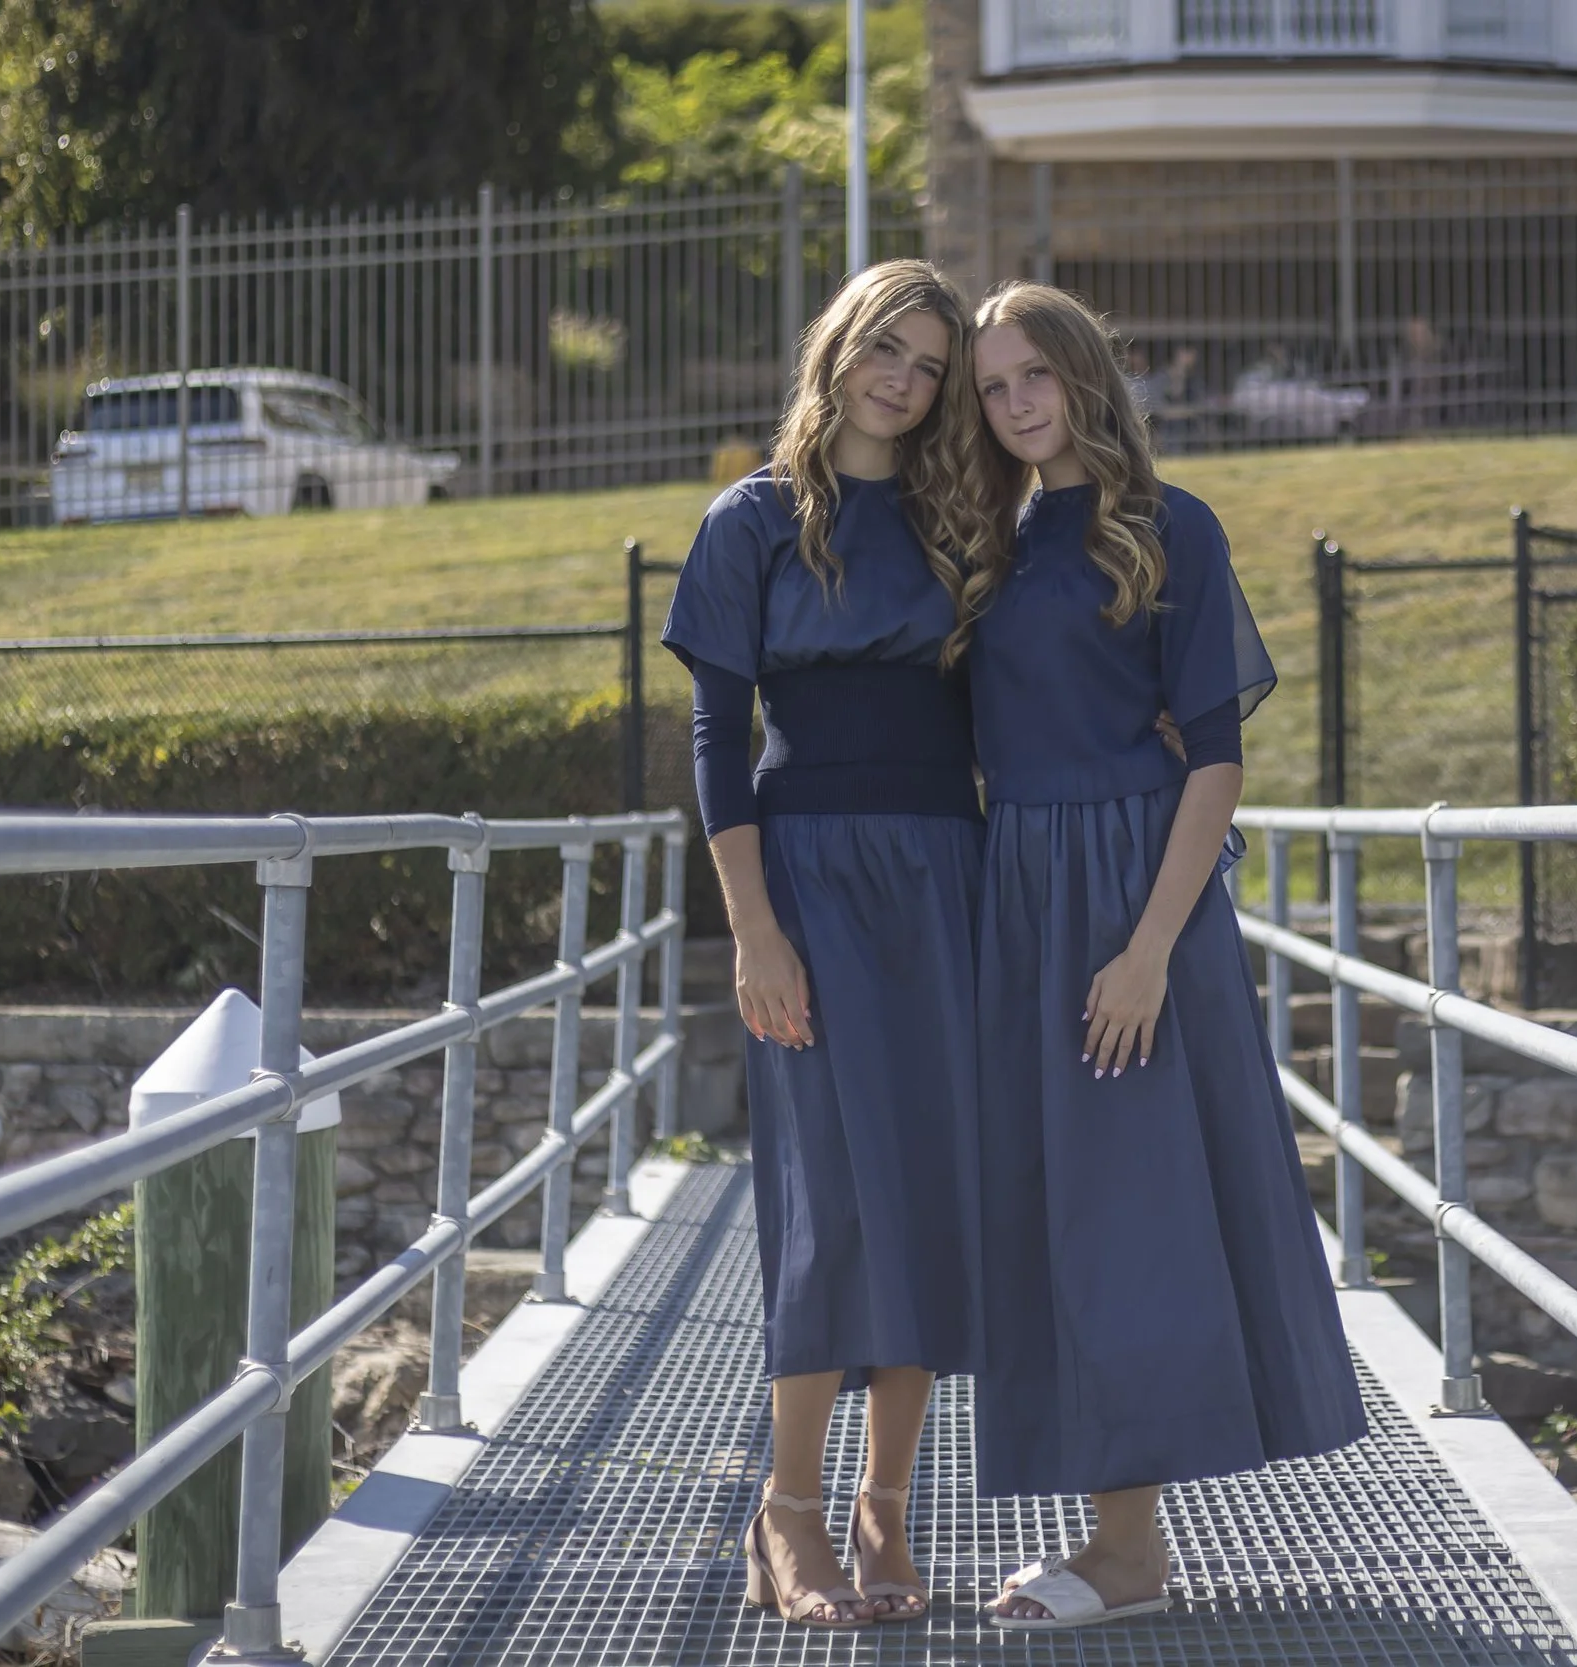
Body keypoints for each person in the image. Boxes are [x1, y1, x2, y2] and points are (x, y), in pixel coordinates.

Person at [953, 281, 1368, 1631]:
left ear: (1085, 378)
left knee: (1130, 1211)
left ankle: (1129, 1552)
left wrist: (1145, 951)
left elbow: (1218, 762)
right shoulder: (989, 542)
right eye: (996, 385)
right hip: (1018, 896)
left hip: (1135, 897)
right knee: (1057, 1214)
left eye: (1036, 377)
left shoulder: (1170, 529)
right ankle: (1117, 1538)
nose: (1018, 403)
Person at [660, 259, 990, 1629]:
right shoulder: (750, 522)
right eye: (886, 350)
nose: (902, 379)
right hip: (804, 881)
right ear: (840, 344)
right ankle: (786, 1511)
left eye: (928, 364)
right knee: (823, 1201)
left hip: (944, 880)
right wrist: (753, 933)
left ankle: (886, 1508)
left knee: (926, 1188)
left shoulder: (966, 520)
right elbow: (714, 746)